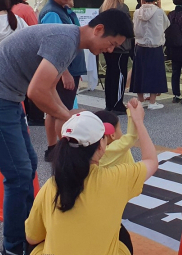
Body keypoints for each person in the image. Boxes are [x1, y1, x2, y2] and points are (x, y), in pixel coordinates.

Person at [0, 8, 133, 255]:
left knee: (28, 166)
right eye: (111, 43)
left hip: (5, 99)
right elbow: (37, 91)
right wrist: (68, 117)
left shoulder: (69, 40)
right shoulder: (65, 40)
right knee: (18, 176)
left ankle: (31, 233)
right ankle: (12, 249)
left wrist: (68, 114)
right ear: (98, 30)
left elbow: (48, 87)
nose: (109, 50)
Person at [25, 102, 158, 255]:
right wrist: (139, 121)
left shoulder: (51, 185)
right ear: (101, 146)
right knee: (120, 233)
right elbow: (151, 161)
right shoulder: (117, 178)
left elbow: (32, 238)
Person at [39, 0, 88, 162]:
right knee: (61, 110)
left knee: (55, 110)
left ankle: (53, 149)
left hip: (65, 69)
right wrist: (65, 73)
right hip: (62, 70)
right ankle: (60, 149)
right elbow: (55, 47)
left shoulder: (62, 9)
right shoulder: (52, 12)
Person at [94, 108, 140, 253]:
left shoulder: (93, 151)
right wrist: (132, 114)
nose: (122, 133)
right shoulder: (115, 148)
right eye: (120, 128)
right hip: (117, 191)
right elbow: (132, 136)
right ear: (112, 135)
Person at [130, 0, 169, 109]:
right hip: (155, 47)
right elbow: (166, 25)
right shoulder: (159, 12)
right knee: (155, 73)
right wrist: (160, 7)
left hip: (140, 46)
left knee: (139, 73)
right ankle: (152, 102)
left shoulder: (137, 12)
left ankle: (141, 100)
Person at [100, 0, 132, 114]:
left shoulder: (103, 7)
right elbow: (127, 29)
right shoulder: (122, 8)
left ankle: (109, 103)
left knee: (110, 74)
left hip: (107, 47)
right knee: (120, 75)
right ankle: (118, 104)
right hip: (121, 47)